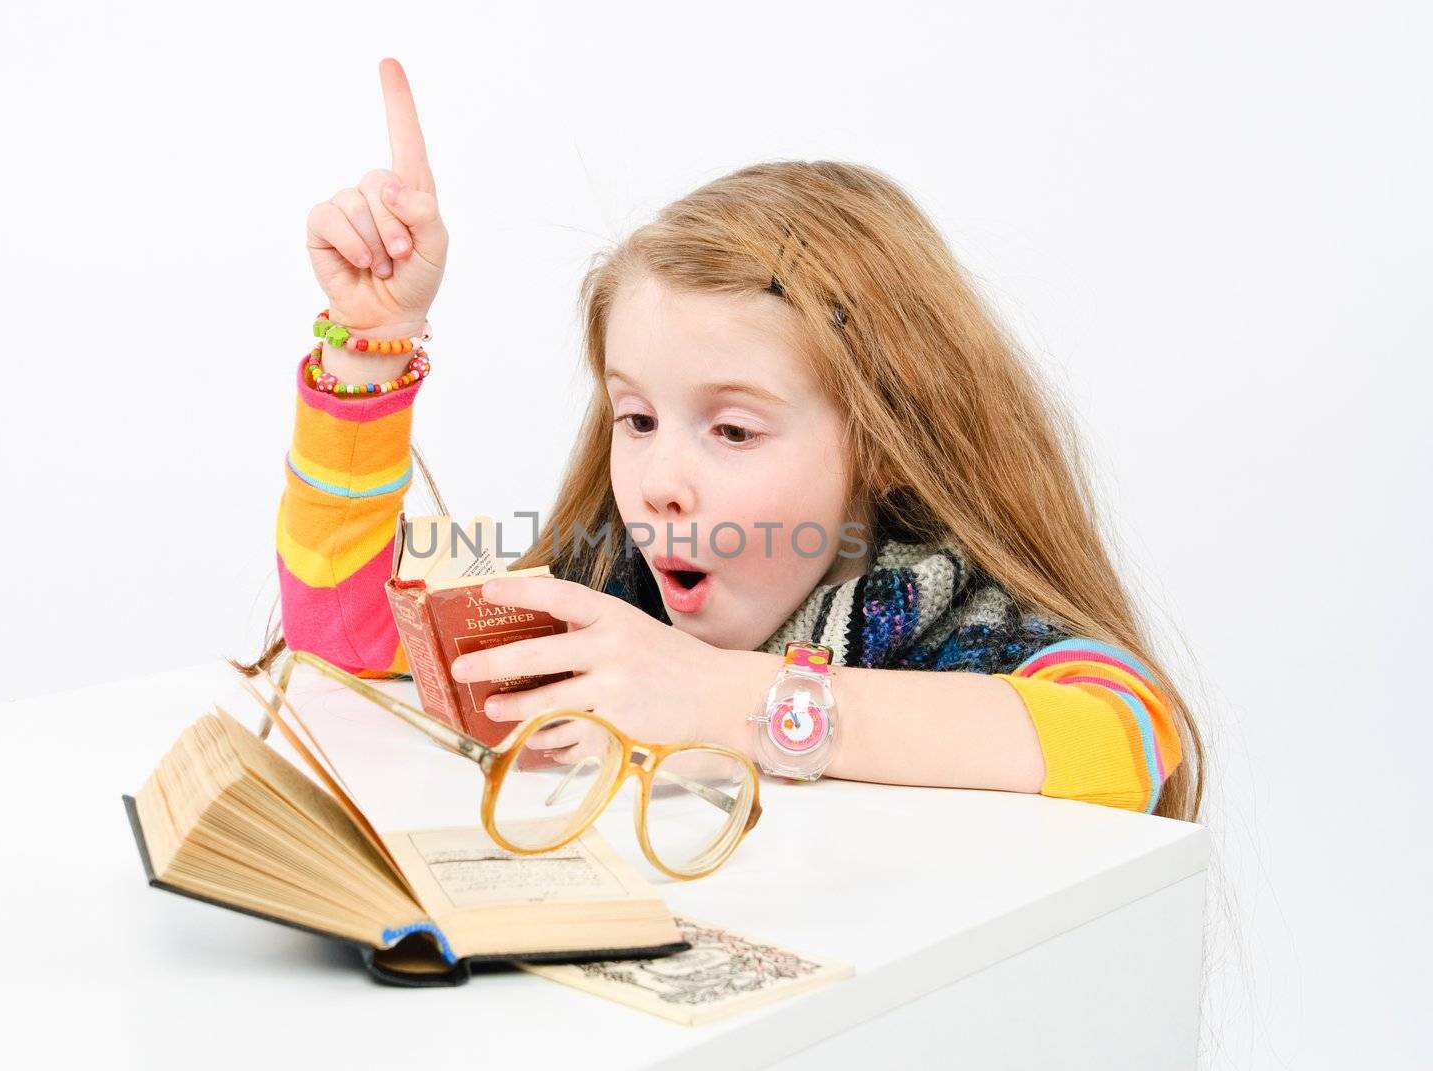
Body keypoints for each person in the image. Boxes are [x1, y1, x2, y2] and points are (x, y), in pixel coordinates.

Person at [238, 57, 1201, 821]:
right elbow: (349, 636)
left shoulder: (955, 624)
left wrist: (718, 697)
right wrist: (369, 346)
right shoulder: (606, 605)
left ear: (884, 444)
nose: (659, 482)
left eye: (733, 428)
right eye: (638, 419)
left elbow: (1129, 738)